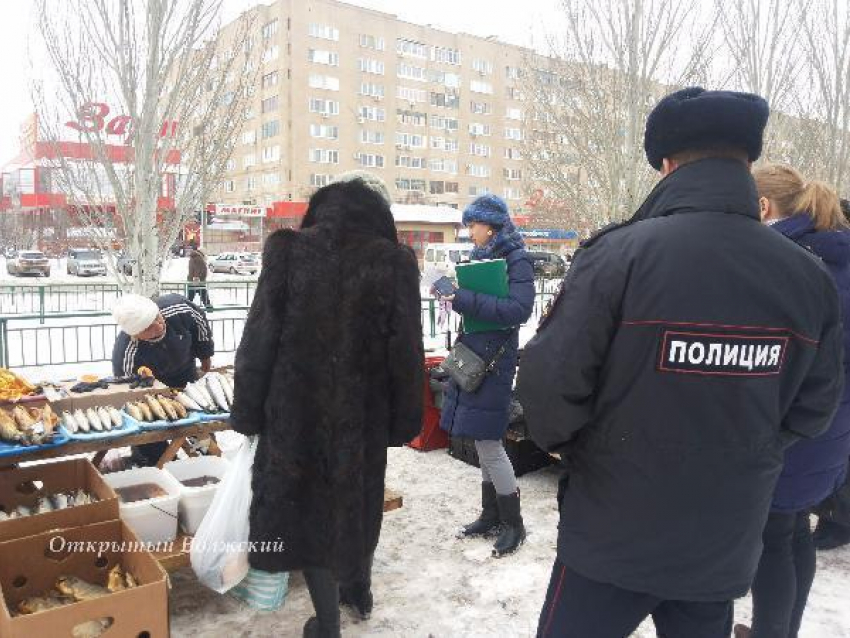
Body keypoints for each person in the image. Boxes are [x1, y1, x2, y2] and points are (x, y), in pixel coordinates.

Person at [516, 87, 844, 638]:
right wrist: (746, 451)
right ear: (746, 160)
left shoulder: (619, 255)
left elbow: (548, 387)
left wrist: (586, 450)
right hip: (721, 539)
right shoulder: (806, 275)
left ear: (665, 165)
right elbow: (814, 410)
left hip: (611, 537)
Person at [230, 173, 424, 637]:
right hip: (363, 417)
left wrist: (248, 410)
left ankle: (329, 623)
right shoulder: (394, 262)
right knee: (356, 504)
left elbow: (258, 339)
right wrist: (403, 421)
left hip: (295, 417)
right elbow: (407, 352)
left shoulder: (288, 252)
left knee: (309, 515)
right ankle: (358, 590)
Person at [729, 165, 850, 638]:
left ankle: (770, 634)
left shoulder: (789, 258)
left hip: (794, 418)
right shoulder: (835, 249)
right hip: (832, 418)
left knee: (775, 536)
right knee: (794, 526)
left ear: (763, 207)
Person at [437, 194, 535, 557]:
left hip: (494, 362)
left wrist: (461, 298)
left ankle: (515, 523)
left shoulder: (516, 259)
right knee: (481, 438)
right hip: (475, 356)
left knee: (491, 443)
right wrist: (451, 295)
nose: (470, 231)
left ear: (490, 225)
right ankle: (490, 514)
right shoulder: (485, 258)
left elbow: (519, 310)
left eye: (473, 225)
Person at [112, 293, 214, 466]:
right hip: (152, 389)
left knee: (201, 425)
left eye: (158, 318)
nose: (158, 326)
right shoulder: (126, 352)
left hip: (185, 373)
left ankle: (207, 460)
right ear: (136, 335)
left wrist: (205, 357)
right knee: (151, 439)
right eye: (148, 328)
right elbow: (129, 390)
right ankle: (160, 465)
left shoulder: (180, 308)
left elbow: (200, 325)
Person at [187, 243, 211, 307]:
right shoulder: (198, 258)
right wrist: (198, 278)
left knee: (192, 295)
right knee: (202, 293)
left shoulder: (195, 257)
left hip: (194, 279)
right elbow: (200, 269)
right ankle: (208, 306)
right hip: (197, 280)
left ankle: (188, 306)